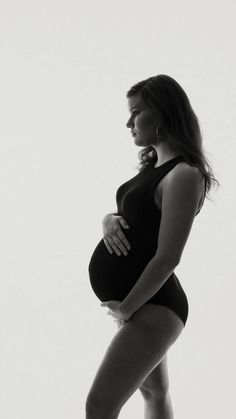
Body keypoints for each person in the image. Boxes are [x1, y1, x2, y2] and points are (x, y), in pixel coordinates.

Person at [86, 74, 219, 419]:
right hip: (144, 305)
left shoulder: (184, 175)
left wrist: (127, 309)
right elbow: (135, 220)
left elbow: (167, 258)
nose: (128, 122)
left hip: (154, 307)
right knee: (156, 395)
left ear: (162, 112)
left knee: (99, 406)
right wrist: (107, 220)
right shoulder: (155, 168)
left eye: (136, 112)